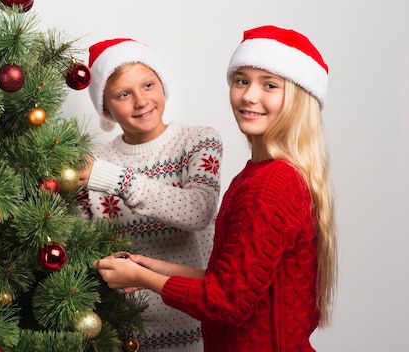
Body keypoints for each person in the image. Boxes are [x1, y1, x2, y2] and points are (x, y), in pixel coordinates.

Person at [93, 25, 337, 351]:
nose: (250, 95)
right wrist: (157, 267)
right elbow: (233, 281)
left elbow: (225, 303)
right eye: (242, 81)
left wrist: (141, 279)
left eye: (269, 85)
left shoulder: (272, 185)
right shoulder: (255, 175)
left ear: (297, 98)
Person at [78, 38, 222, 352]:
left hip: (197, 322)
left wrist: (113, 179)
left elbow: (198, 211)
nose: (141, 101)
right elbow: (82, 246)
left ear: (162, 86)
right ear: (106, 106)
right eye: (123, 94)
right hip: (126, 331)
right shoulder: (93, 164)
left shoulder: (197, 141)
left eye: (148, 85)